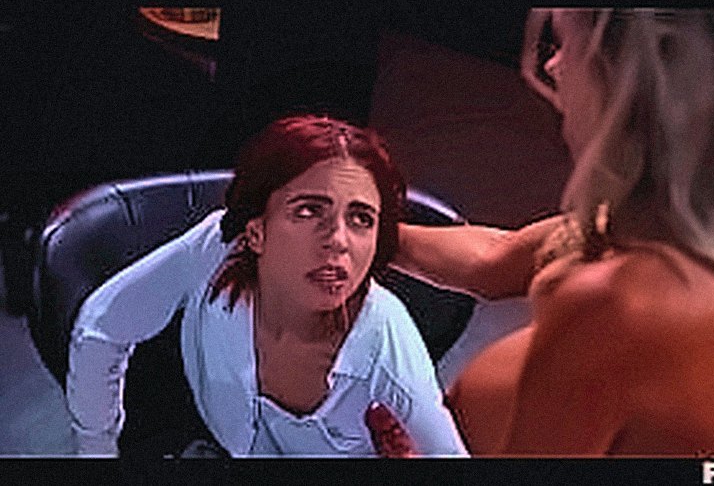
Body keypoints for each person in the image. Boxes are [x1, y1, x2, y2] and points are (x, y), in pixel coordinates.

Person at [394, 8, 714, 456]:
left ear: (625, 81)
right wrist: (373, 238)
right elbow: (494, 258)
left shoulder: (621, 302)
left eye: (566, 44)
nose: (553, 66)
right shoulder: (662, 232)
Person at [66, 114, 468, 457]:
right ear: (255, 232)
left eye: (361, 219)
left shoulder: (385, 340)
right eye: (309, 211)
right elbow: (102, 327)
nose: (338, 241)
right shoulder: (214, 251)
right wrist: (97, 451)